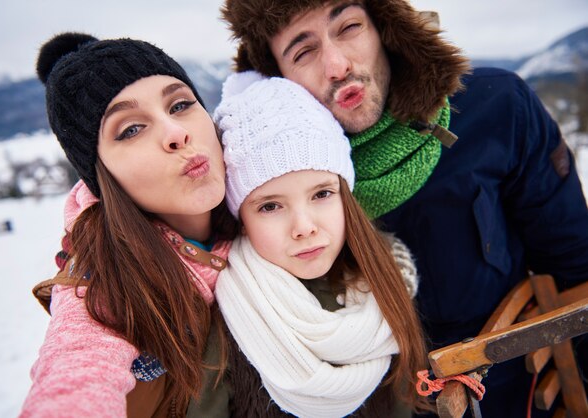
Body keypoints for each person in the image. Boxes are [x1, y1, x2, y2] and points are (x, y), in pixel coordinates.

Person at [220, 0, 588, 416]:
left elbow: (576, 266)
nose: (337, 65)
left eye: (349, 27)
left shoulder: (496, 107)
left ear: (385, 27)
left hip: (514, 396)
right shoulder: (266, 178)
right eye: (303, 52)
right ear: (276, 77)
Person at [21, 32, 237, 417]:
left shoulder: (269, 201)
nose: (176, 134)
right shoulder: (101, 283)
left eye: (181, 104)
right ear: (101, 176)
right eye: (131, 129)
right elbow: (75, 375)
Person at [213, 71, 431, 417]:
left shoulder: (386, 285)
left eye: (322, 194)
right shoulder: (221, 316)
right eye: (270, 206)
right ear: (241, 221)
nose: (304, 227)